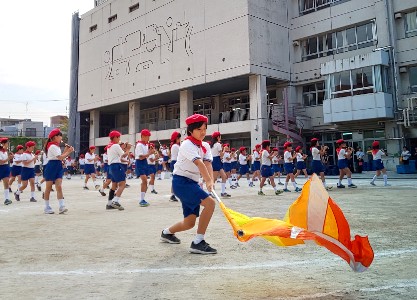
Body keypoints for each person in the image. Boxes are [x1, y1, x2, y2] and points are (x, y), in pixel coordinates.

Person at [160, 113, 217, 254]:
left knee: (189, 222)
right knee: (210, 204)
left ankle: (166, 233)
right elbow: (199, 163)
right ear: (191, 130)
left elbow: (208, 164)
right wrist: (208, 180)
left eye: (204, 129)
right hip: (181, 182)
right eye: (199, 129)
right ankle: (198, 242)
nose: (203, 132)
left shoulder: (205, 146)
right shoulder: (186, 144)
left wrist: (211, 181)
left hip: (192, 183)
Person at [43, 128, 74, 214]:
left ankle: (61, 206)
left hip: (57, 166)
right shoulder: (52, 146)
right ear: (55, 137)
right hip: (52, 166)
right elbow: (60, 157)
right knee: (48, 188)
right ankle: (47, 207)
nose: (61, 138)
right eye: (60, 136)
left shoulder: (55, 146)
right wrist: (69, 151)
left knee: (59, 186)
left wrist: (67, 150)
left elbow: (61, 156)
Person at [106, 131, 131, 210]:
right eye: (118, 137)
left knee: (114, 185)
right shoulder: (116, 145)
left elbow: (118, 157)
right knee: (122, 184)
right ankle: (115, 201)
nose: (119, 139)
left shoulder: (109, 146)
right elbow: (123, 154)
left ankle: (109, 203)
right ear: (115, 137)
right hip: (117, 166)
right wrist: (128, 149)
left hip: (111, 166)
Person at [210, 131, 231, 197]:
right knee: (214, 178)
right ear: (218, 137)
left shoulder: (212, 145)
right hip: (216, 161)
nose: (220, 137)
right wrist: (224, 149)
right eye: (220, 136)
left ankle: (223, 192)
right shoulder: (218, 144)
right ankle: (211, 192)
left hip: (215, 161)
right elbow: (221, 155)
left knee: (223, 176)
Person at [135, 129, 152, 207]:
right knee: (144, 180)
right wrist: (149, 153)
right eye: (148, 137)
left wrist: (150, 151)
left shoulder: (145, 145)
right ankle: (141, 200)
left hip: (144, 162)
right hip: (140, 163)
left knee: (145, 181)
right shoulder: (139, 145)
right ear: (143, 136)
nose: (148, 138)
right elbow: (141, 157)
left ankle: (143, 198)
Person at [0, 138, 13, 205]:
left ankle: (7, 199)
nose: (8, 144)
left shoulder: (5, 151)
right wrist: (9, 158)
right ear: (3, 144)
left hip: (5, 167)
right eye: (7, 143)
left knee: (6, 183)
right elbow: (1, 162)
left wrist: (10, 156)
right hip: (1, 167)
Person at [169, 131, 181, 201]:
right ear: (176, 138)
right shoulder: (176, 146)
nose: (180, 140)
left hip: (175, 162)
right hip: (176, 162)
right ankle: (173, 195)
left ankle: (173, 194)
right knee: (176, 180)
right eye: (179, 138)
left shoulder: (174, 145)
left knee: (176, 179)